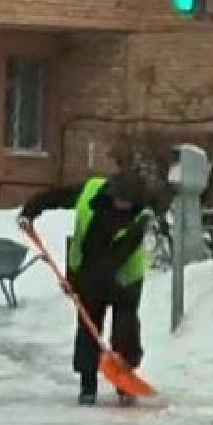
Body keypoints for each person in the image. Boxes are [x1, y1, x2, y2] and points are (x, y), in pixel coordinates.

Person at [19, 170, 152, 405]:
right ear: (111, 193)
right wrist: (30, 211)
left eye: (128, 202)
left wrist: (83, 281)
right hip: (87, 269)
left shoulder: (141, 216)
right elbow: (57, 196)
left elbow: (117, 255)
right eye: (120, 200)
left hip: (125, 277)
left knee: (126, 329)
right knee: (88, 327)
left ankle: (124, 380)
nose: (124, 205)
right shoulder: (90, 191)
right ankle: (87, 384)